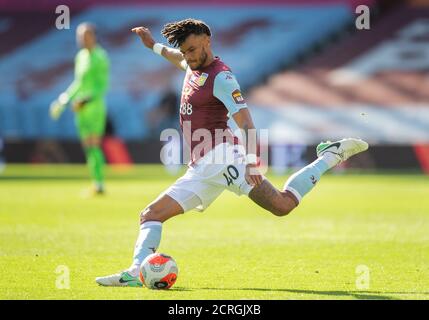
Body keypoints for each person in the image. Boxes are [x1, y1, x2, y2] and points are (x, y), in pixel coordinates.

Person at [96, 19, 368, 287]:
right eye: (185, 51)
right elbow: (173, 55)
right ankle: (136, 271)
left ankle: (330, 157)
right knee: (150, 215)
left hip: (225, 158)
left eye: (191, 49)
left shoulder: (222, 77)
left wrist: (251, 162)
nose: (187, 56)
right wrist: (152, 45)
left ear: (206, 42)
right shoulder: (191, 64)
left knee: (282, 206)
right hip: (200, 167)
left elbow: (247, 123)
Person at [50, 22, 109, 195]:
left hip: (94, 107)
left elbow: (102, 86)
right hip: (80, 108)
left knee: (94, 145)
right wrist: (64, 99)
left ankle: (100, 184)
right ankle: (95, 182)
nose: (82, 40)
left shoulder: (101, 56)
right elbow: (77, 83)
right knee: (88, 148)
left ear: (94, 36)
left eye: (86, 36)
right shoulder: (81, 56)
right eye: (80, 36)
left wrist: (85, 99)